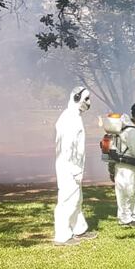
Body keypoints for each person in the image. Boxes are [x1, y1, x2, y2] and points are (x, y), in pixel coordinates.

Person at [53, 86, 94, 245]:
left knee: (77, 198)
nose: (88, 103)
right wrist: (74, 169)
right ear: (77, 98)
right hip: (69, 166)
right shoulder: (70, 118)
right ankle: (62, 236)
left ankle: (79, 229)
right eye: (86, 99)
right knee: (67, 199)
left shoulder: (73, 116)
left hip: (73, 165)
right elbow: (68, 147)